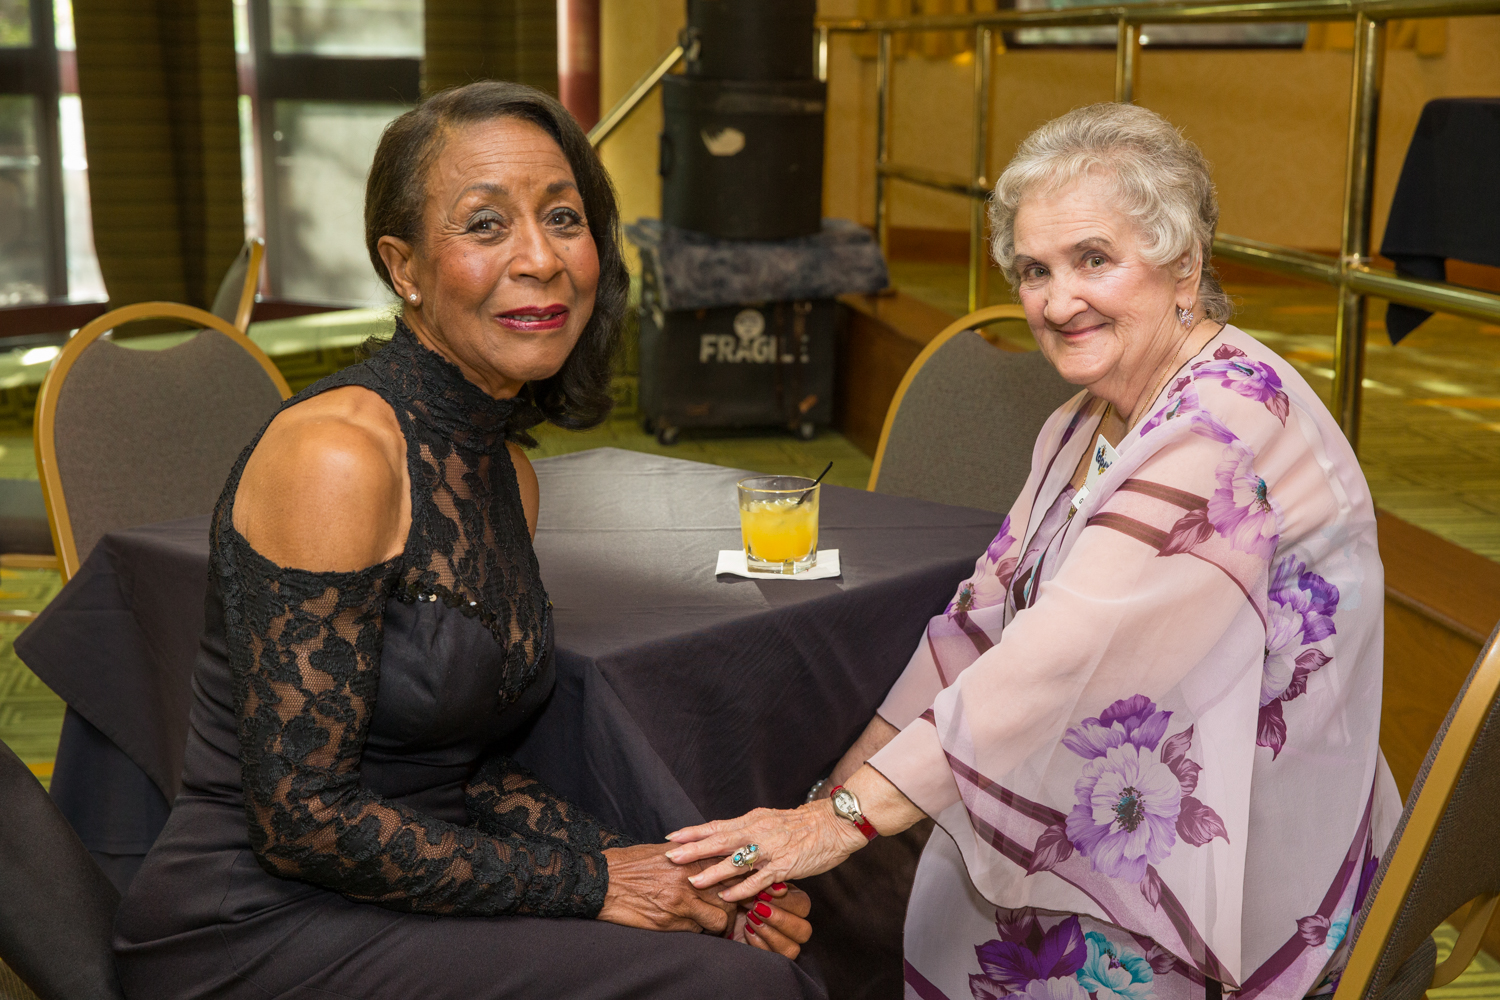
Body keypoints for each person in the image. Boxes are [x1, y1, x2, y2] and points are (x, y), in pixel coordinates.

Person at [666, 102, 1400, 1000]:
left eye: (1093, 259)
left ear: (1185, 264)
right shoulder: (1081, 424)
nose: (1056, 302)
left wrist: (843, 822)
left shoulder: (1224, 427)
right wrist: (828, 806)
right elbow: (973, 629)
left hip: (1243, 838)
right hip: (1127, 769)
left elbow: (1059, 656)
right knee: (832, 881)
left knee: (904, 917)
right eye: (1034, 270)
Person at [112, 81, 819, 999]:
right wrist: (600, 883)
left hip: (412, 885)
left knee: (740, 953)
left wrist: (675, 876)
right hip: (255, 921)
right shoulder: (340, 453)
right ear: (403, 267)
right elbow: (302, 820)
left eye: (563, 218)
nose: (541, 259)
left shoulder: (505, 470)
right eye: (485, 224)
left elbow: (466, 774)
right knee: (736, 988)